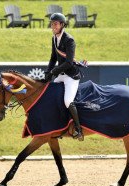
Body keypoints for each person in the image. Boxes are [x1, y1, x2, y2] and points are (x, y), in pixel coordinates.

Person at [45, 13, 84, 141]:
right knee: (51, 97)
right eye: (52, 23)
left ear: (62, 25)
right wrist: (48, 72)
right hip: (61, 75)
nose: (53, 26)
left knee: (67, 101)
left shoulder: (69, 40)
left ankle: (79, 130)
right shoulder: (54, 38)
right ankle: (59, 127)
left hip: (71, 76)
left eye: (55, 24)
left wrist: (54, 71)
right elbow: (53, 58)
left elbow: (68, 63)